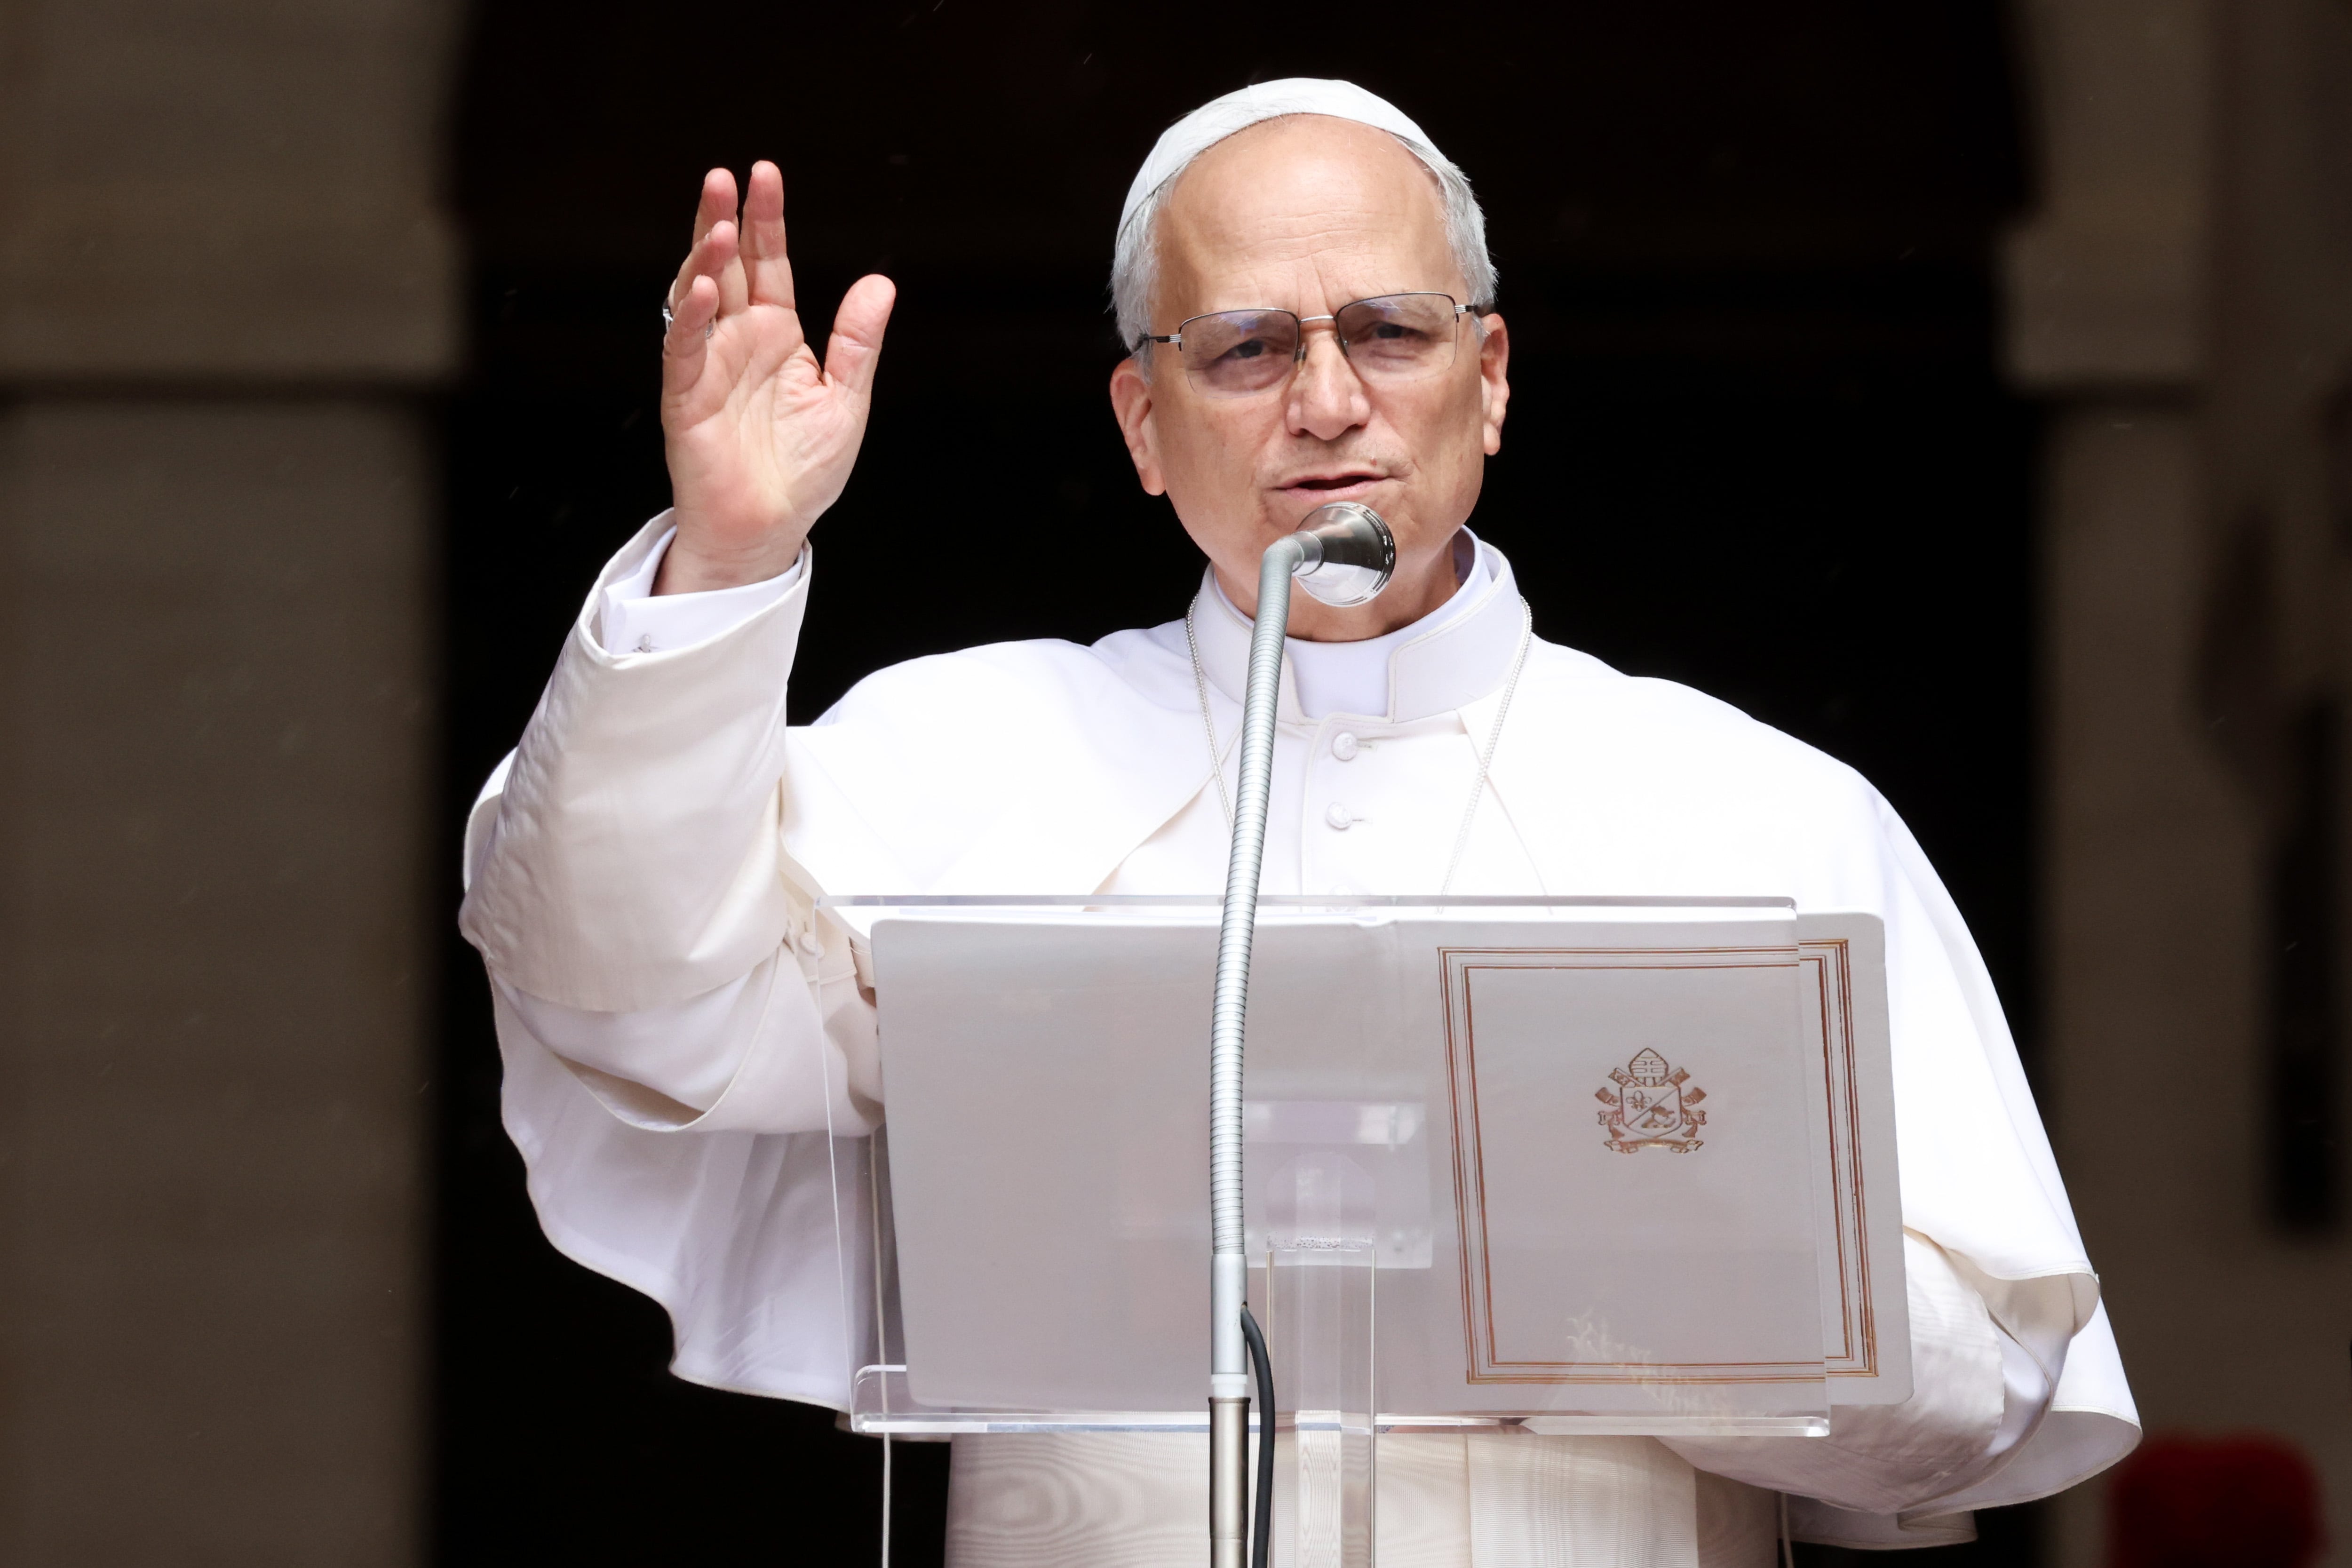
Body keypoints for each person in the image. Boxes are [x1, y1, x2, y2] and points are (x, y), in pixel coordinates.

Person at [460, 79, 2138, 1567]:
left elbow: (1984, 1396)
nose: (1327, 401)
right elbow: (628, 1000)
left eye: (1389, 333)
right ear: (1141, 422)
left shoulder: (1751, 807)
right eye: (1250, 348)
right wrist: (729, 565)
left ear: (1487, 382)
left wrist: (1598, 1277)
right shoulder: (967, 751)